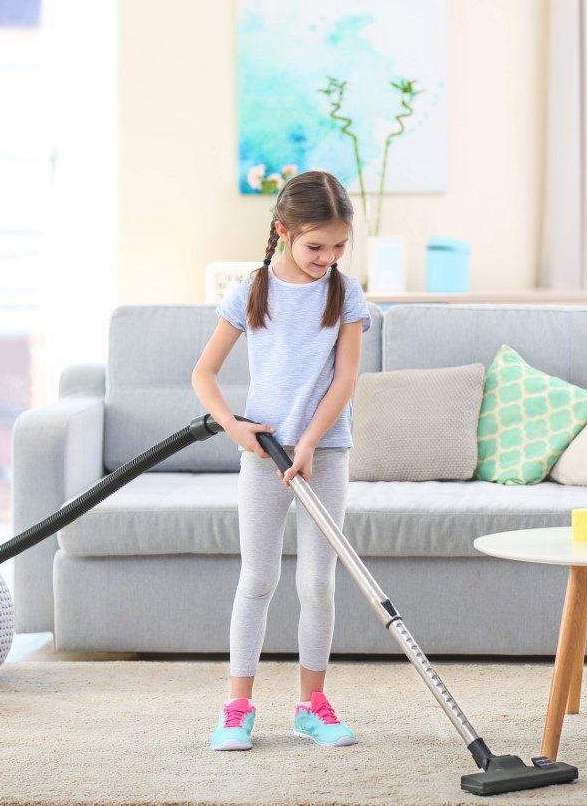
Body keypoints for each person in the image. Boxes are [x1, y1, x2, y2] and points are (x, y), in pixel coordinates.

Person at [192, 169, 371, 751]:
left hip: (326, 451)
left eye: (340, 246)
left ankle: (311, 706)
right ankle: (237, 708)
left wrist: (313, 441)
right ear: (283, 232)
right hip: (263, 454)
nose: (328, 257)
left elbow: (345, 379)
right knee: (258, 579)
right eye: (316, 246)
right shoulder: (251, 292)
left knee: (318, 583)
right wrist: (234, 427)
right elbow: (204, 373)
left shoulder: (345, 293)